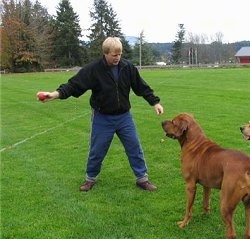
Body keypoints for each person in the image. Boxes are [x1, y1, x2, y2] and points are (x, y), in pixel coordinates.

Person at [37, 37, 164, 192]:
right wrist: (54, 94)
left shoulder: (127, 67)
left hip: (124, 117)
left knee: (134, 147)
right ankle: (90, 179)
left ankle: (142, 179)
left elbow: (141, 87)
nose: (117, 58)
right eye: (114, 55)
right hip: (102, 118)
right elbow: (73, 85)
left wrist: (155, 102)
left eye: (119, 54)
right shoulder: (94, 69)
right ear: (105, 53)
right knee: (97, 150)